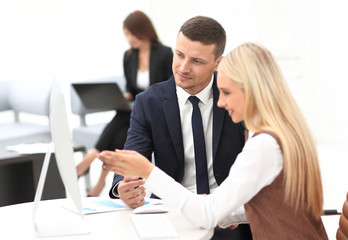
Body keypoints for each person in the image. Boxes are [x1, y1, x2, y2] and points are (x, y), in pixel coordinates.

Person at [99, 42, 328, 239]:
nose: (220, 102)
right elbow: (278, 203)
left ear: (252, 90)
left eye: (227, 93)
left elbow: (207, 215)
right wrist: (227, 212)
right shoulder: (283, 132)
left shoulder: (264, 145)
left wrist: (148, 171)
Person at [108, 16, 252, 240]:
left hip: (225, 215)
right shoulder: (149, 102)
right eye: (180, 55)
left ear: (217, 63)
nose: (183, 68)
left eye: (196, 61)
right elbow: (133, 155)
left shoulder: (235, 97)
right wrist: (121, 187)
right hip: (171, 212)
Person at [76, 10, 173, 196]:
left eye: (132, 33)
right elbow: (131, 88)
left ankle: (91, 163)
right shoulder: (129, 56)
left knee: (123, 122)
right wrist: (124, 96)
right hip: (135, 109)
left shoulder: (164, 53)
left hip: (157, 108)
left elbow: (168, 87)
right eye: (126, 34)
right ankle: (98, 183)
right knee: (123, 130)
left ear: (143, 31)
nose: (129, 39)